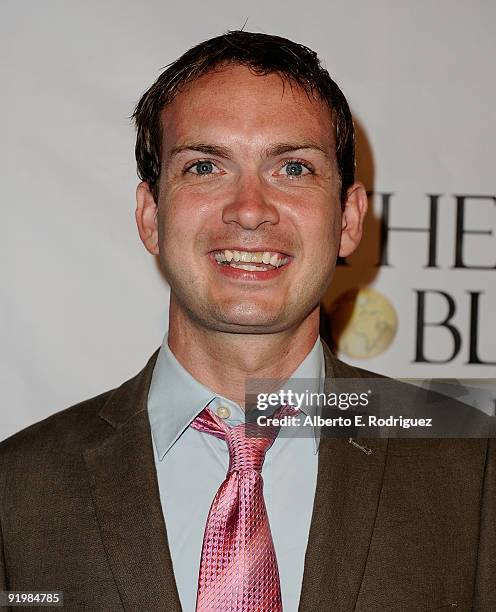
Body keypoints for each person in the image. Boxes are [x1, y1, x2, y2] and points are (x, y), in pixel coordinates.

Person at [0, 30, 494, 612]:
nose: (251, 209)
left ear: (349, 219)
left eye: (293, 168)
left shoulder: (475, 467)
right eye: (206, 165)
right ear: (151, 215)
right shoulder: (17, 491)